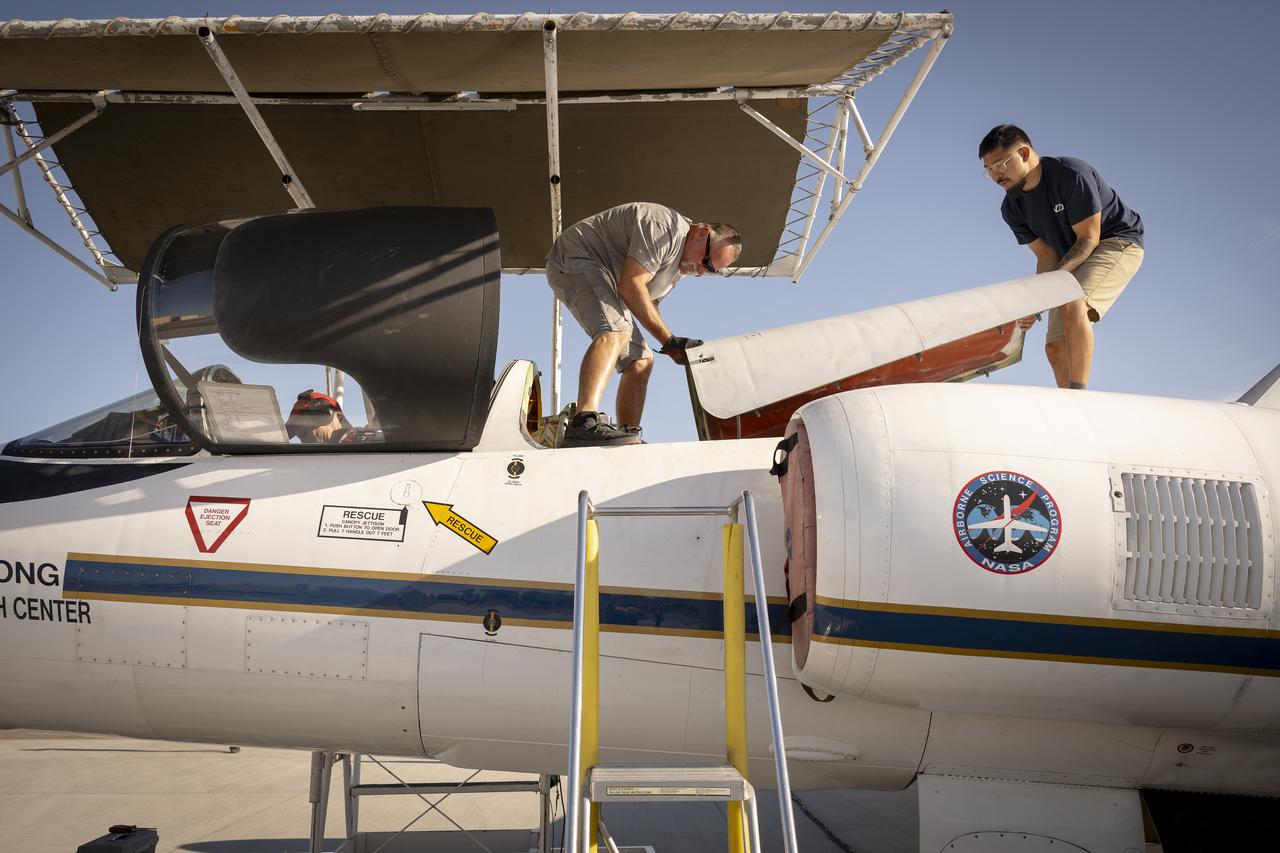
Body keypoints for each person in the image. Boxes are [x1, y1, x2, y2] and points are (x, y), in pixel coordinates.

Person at [546, 202, 742, 446]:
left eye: (710, 271)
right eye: (707, 262)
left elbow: (648, 304)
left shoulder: (679, 269)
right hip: (576, 257)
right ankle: (584, 421)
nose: (701, 272)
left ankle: (629, 437)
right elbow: (630, 287)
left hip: (608, 281)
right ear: (702, 233)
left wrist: (672, 345)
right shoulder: (665, 227)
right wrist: (668, 340)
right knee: (615, 331)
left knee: (641, 361)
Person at [979, 125, 1144, 390]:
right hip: (1072, 256)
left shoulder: (1070, 175)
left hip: (1115, 241)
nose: (996, 176)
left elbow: (1089, 238)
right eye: (989, 171)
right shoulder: (1011, 208)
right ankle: (1068, 406)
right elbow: (1046, 254)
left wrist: (1047, 294)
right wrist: (1036, 301)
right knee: (1055, 347)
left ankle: (1079, 398)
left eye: (1000, 165)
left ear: (1023, 153)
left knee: (1072, 304)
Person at [285, 390, 356, 443]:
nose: (304, 441)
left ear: (339, 419)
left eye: (304, 433)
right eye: (300, 437)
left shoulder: (361, 445)